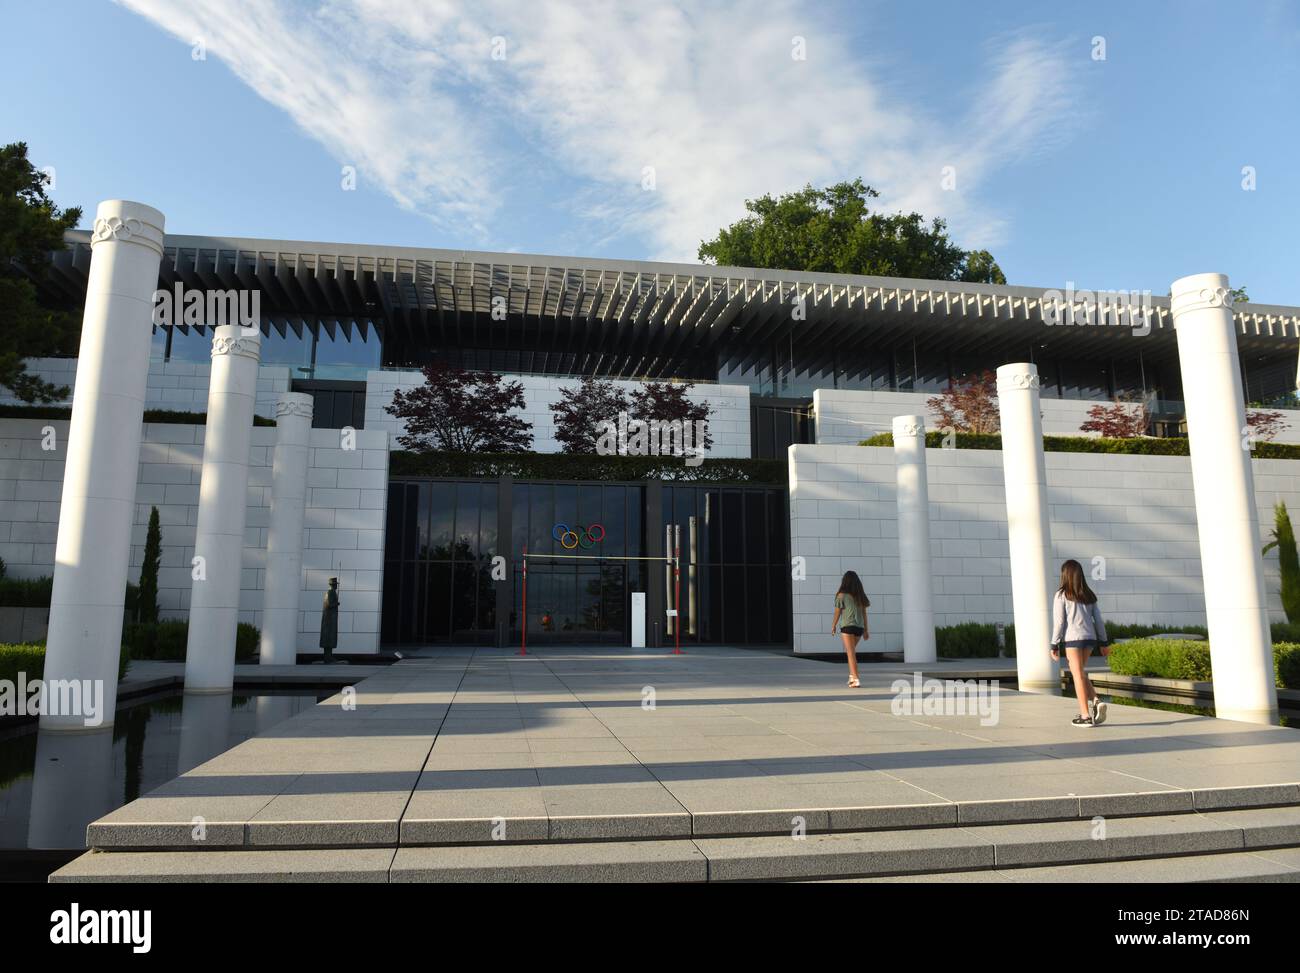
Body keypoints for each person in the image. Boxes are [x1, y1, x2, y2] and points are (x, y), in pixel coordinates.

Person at [1050, 559, 1110, 727]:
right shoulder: (1089, 595)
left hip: (1073, 639)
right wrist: (1104, 642)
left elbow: (1059, 622)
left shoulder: (1061, 595)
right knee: (1080, 672)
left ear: (1065, 575)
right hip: (1090, 639)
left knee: (1077, 675)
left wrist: (1054, 644)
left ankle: (1085, 716)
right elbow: (1098, 621)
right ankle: (1097, 701)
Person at [831, 571, 870, 688]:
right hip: (859, 627)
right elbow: (864, 613)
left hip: (847, 626)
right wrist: (866, 630)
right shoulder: (860, 596)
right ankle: (852, 677)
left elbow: (837, 612)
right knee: (851, 653)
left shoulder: (841, 595)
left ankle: (856, 678)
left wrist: (833, 625)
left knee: (851, 653)